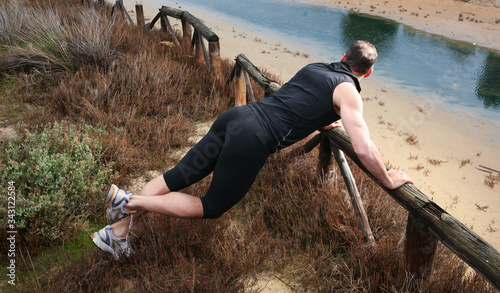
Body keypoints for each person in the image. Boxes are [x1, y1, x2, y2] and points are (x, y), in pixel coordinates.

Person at [91, 40, 413, 259]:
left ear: (344, 57)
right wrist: (386, 178)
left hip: (237, 117)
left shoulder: (317, 68)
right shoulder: (350, 93)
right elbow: (364, 147)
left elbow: (301, 103)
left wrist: (326, 121)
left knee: (177, 176)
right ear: (367, 72)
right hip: (254, 139)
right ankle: (128, 202)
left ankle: (118, 232)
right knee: (213, 205)